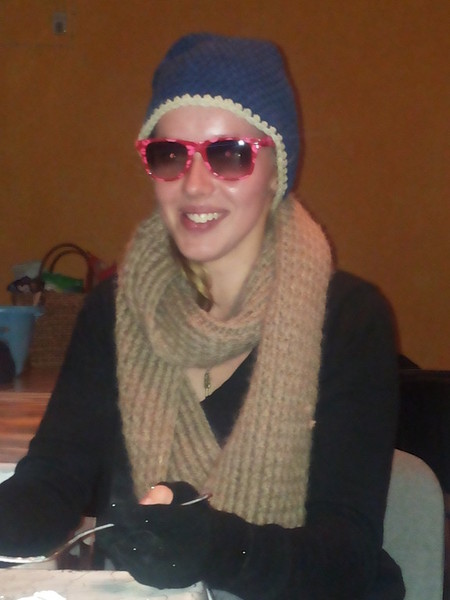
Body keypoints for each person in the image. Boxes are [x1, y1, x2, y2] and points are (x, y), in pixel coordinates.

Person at [0, 33, 405, 599]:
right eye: (170, 154)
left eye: (229, 154)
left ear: (277, 170)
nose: (194, 184)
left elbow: (347, 559)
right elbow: (52, 485)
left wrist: (214, 547)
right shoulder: (112, 312)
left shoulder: (349, 320)